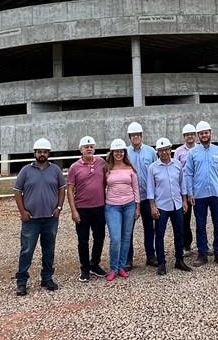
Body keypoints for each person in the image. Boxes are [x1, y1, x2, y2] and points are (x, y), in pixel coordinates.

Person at [12, 137, 66, 295]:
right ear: (34, 153)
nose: (42, 154)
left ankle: (47, 278)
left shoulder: (55, 170)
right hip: (31, 220)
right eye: (39, 151)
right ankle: (21, 281)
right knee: (27, 250)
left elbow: (62, 189)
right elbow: (17, 191)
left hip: (50, 218)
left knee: (49, 250)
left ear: (49, 153)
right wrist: (22, 212)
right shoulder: (26, 171)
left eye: (45, 152)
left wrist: (59, 207)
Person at [183, 120, 218, 266]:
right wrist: (190, 193)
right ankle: (202, 254)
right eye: (201, 133)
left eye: (206, 132)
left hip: (216, 193)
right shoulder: (192, 153)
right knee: (200, 224)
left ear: (210, 133)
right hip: (199, 195)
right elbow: (188, 174)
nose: (204, 135)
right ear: (198, 135)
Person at [148, 137, 193, 275]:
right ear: (158, 152)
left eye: (166, 149)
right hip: (161, 205)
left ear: (170, 149)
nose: (165, 153)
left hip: (177, 204)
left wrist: (184, 200)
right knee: (160, 235)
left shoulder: (178, 164)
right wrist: (153, 207)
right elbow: (151, 189)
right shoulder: (153, 168)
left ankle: (179, 260)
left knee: (179, 233)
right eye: (161, 150)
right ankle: (161, 263)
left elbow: (182, 184)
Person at [67, 136, 107, 282]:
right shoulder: (74, 167)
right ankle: (84, 268)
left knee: (99, 238)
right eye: (86, 146)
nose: (89, 149)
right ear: (81, 149)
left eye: (91, 146)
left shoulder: (102, 163)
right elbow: (70, 190)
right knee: (83, 240)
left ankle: (94, 264)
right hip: (82, 209)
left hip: (99, 208)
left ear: (94, 148)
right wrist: (73, 210)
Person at [104, 138, 139, 281]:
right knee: (116, 238)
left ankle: (121, 267)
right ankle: (113, 268)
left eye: (121, 151)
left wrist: (138, 207)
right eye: (116, 151)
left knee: (126, 237)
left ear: (124, 152)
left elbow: (135, 188)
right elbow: (101, 187)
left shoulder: (130, 168)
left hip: (129, 205)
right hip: (112, 206)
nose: (119, 153)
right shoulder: (107, 168)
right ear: (112, 153)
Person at [126, 121, 157, 270]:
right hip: (130, 198)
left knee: (149, 228)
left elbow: (156, 172)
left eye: (138, 134)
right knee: (128, 229)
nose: (136, 137)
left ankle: (151, 256)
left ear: (141, 135)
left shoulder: (150, 152)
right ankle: (128, 259)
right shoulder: (125, 153)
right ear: (129, 137)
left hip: (147, 197)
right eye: (133, 135)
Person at [172, 123, 197, 255]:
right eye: (187, 135)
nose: (190, 137)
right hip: (184, 190)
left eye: (192, 134)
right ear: (184, 137)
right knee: (184, 220)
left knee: (201, 219)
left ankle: (202, 245)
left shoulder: (199, 149)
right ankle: (186, 245)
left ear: (195, 135)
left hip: (198, 190)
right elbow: (176, 171)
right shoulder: (178, 152)